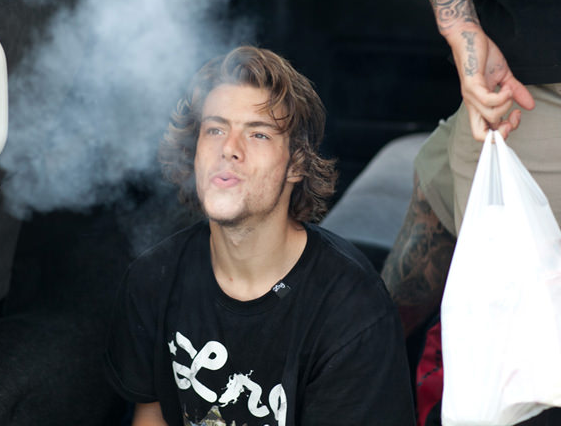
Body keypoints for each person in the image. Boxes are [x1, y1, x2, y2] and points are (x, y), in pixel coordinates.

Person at [104, 46, 415, 425]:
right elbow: (151, 415)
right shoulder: (152, 279)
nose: (229, 149)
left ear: (296, 164)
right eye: (215, 129)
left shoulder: (352, 312)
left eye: (258, 134)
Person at [358, 0, 561, 337]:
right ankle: (364, 363)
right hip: (541, 60)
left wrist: (460, 27)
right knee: (437, 196)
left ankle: (362, 364)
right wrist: (462, 29)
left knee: (509, 334)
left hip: (551, 59)